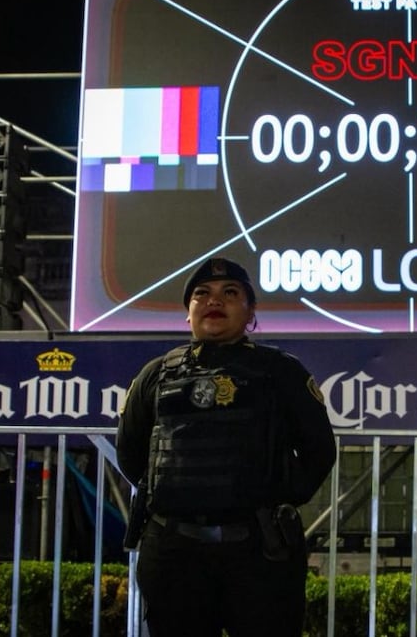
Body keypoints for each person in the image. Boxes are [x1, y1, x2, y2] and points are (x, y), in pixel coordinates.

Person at [116, 257, 337, 637]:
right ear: (188, 313)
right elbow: (130, 453)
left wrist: (274, 501)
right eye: (202, 294)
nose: (214, 301)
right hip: (174, 555)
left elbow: (319, 451)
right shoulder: (155, 374)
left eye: (230, 293)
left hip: (258, 555)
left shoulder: (281, 372)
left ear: (251, 313)